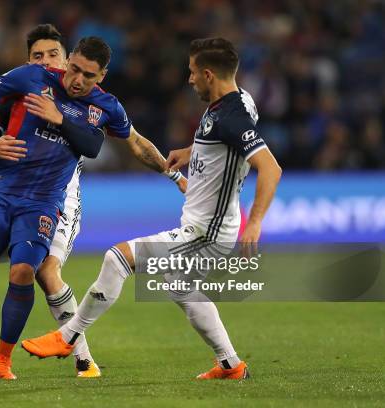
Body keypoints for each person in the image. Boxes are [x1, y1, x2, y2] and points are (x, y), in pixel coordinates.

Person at [0, 36, 185, 380]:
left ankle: (4, 359)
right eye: (74, 70)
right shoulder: (31, 78)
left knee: (26, 271)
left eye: (88, 75)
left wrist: (173, 175)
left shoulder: (106, 108)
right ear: (68, 63)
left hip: (42, 202)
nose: (77, 79)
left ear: (101, 76)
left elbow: (129, 144)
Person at [21, 37, 282, 380]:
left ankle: (68, 336)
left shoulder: (232, 117)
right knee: (178, 282)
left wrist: (256, 223)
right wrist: (194, 151)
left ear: (207, 75)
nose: (188, 79)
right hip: (205, 223)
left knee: (118, 258)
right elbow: (227, 139)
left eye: (191, 73)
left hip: (208, 232)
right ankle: (231, 365)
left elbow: (270, 167)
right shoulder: (236, 103)